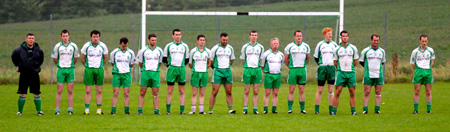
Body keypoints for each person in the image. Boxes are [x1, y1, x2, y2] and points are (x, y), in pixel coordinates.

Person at [11, 33, 44, 115]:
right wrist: (20, 65)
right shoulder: (19, 50)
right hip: (24, 74)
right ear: (26, 39)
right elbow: (14, 57)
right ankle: (20, 111)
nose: (31, 40)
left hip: (34, 73)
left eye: (32, 38)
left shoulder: (38, 50)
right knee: (22, 93)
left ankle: (39, 111)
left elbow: (41, 60)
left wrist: (36, 66)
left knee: (36, 92)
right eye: (29, 38)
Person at [51, 29, 79, 115]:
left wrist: (70, 65)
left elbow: (75, 58)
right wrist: (60, 64)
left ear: (69, 36)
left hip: (70, 69)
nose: (65, 38)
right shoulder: (57, 46)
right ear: (61, 37)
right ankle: (57, 110)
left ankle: (70, 109)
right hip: (61, 69)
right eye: (63, 36)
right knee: (59, 90)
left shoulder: (73, 46)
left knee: (70, 90)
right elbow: (55, 58)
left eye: (66, 36)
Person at [80, 30, 108, 115]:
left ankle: (99, 110)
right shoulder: (86, 46)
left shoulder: (103, 46)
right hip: (89, 69)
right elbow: (82, 58)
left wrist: (100, 65)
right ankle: (87, 110)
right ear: (91, 37)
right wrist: (87, 66)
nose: (96, 38)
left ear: (99, 37)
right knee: (88, 90)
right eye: (94, 37)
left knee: (99, 90)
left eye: (97, 37)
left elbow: (105, 58)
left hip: (99, 69)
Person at [331, 30, 359, 115]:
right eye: (343, 36)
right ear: (340, 37)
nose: (345, 37)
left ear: (348, 37)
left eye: (346, 36)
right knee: (337, 91)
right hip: (341, 73)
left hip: (351, 73)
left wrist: (350, 68)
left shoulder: (353, 48)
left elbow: (355, 60)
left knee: (352, 91)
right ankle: (334, 111)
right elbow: (335, 62)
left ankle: (353, 111)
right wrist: (340, 68)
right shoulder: (337, 49)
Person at [162, 29, 189, 115]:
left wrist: (181, 66)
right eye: (176, 35)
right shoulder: (169, 46)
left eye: (179, 34)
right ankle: (168, 111)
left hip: (181, 69)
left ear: (181, 36)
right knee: (170, 90)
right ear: (173, 36)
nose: (178, 36)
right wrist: (169, 66)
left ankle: (182, 111)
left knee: (181, 91)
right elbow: (164, 59)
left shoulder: (185, 46)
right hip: (172, 69)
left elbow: (187, 59)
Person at [209, 32, 236, 114]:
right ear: (220, 39)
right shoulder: (215, 48)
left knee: (229, 91)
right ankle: (211, 110)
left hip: (227, 71)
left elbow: (232, 60)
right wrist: (217, 68)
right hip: (218, 71)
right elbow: (211, 60)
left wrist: (226, 66)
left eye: (226, 40)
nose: (225, 41)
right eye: (224, 40)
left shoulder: (230, 48)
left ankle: (230, 109)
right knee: (215, 91)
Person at [313, 28, 338, 114]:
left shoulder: (334, 45)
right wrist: (321, 64)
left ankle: (331, 110)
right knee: (320, 89)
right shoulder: (320, 44)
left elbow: (337, 57)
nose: (330, 35)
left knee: (331, 90)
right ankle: (317, 110)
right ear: (324, 35)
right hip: (322, 68)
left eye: (331, 33)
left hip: (331, 68)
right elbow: (316, 57)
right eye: (328, 34)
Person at [284, 30, 310, 114]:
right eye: (297, 36)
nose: (299, 37)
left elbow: (307, 58)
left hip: (302, 69)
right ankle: (290, 109)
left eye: (300, 36)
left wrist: (302, 65)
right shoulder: (289, 47)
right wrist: (291, 67)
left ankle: (302, 109)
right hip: (293, 70)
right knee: (291, 89)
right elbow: (286, 59)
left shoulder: (306, 46)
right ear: (294, 37)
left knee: (301, 90)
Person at [137, 33, 163, 115]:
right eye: (152, 40)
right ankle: (140, 110)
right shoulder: (143, 51)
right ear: (148, 40)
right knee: (142, 92)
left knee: (155, 93)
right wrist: (145, 69)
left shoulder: (159, 51)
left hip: (155, 73)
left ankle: (156, 111)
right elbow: (140, 63)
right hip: (145, 73)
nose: (154, 42)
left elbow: (159, 63)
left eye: (155, 40)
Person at [359, 34, 386, 114]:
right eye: (374, 40)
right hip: (368, 75)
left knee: (378, 92)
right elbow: (361, 61)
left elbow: (383, 62)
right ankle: (365, 110)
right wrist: (368, 68)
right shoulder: (365, 51)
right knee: (367, 92)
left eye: (377, 41)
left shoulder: (382, 51)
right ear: (371, 40)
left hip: (379, 74)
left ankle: (377, 109)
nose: (376, 42)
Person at [109, 37, 135, 115]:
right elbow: (112, 63)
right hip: (117, 74)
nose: (124, 48)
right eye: (123, 46)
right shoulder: (114, 52)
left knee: (126, 93)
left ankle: (127, 111)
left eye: (126, 46)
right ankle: (113, 111)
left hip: (126, 74)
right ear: (120, 44)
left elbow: (131, 64)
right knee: (115, 93)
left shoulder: (130, 53)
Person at [240, 30, 264, 114]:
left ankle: (255, 109)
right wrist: (247, 66)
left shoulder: (260, 47)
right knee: (246, 90)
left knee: (256, 91)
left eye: (255, 35)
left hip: (257, 69)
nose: (254, 36)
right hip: (248, 69)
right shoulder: (245, 47)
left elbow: (261, 59)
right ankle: (245, 109)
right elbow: (243, 59)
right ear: (249, 36)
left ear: (257, 36)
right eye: (252, 35)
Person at [410, 34, 435, 114]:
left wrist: (428, 68)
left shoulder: (431, 50)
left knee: (428, 91)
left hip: (428, 72)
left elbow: (432, 61)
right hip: (418, 72)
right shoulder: (415, 51)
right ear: (420, 41)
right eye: (422, 41)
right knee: (417, 91)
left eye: (425, 41)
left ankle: (429, 110)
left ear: (427, 41)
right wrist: (418, 69)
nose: (424, 43)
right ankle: (416, 110)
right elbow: (412, 63)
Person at [188, 34, 211, 115]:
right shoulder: (193, 51)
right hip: (195, 73)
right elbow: (190, 64)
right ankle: (193, 110)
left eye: (203, 40)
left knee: (202, 93)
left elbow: (209, 62)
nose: (202, 42)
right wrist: (196, 69)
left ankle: (201, 110)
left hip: (204, 73)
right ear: (197, 41)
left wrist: (204, 69)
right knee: (194, 93)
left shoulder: (208, 51)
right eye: (200, 40)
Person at [261, 38, 284, 114]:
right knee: (267, 92)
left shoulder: (281, 54)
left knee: (275, 93)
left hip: (277, 75)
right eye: (274, 43)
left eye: (277, 43)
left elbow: (282, 64)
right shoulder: (266, 54)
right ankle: (265, 109)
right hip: (268, 75)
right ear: (271, 44)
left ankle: (274, 109)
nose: (275, 45)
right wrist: (266, 72)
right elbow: (262, 65)